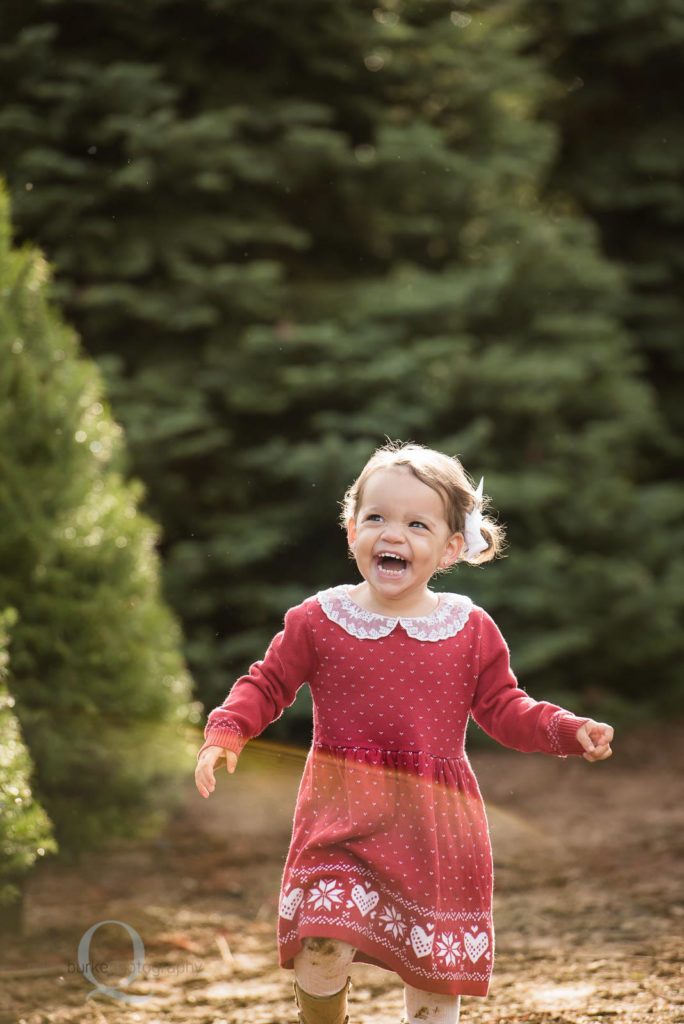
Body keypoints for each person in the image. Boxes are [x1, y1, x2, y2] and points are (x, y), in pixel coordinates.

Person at [195, 440, 614, 1024]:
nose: (393, 535)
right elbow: (266, 683)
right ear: (350, 531)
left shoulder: (468, 628)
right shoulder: (318, 619)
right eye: (377, 518)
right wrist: (227, 731)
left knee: (432, 980)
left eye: (417, 524)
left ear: (449, 549)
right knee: (322, 937)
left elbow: (504, 706)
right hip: (340, 813)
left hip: (434, 823)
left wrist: (566, 730)